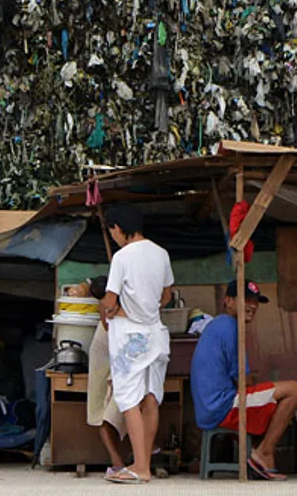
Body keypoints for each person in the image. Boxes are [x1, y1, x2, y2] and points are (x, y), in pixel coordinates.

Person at [190, 281, 297, 481]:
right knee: (294, 390)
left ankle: (261, 456)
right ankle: (263, 454)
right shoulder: (230, 327)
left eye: (255, 301)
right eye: (246, 300)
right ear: (228, 301)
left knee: (271, 397)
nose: (252, 305)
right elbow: (243, 381)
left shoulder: (218, 324)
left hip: (210, 407)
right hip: (222, 407)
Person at [98, 205, 174, 485]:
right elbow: (166, 295)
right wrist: (145, 309)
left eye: (112, 231)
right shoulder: (161, 253)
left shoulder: (122, 257)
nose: (113, 236)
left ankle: (141, 467)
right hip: (155, 334)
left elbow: (109, 299)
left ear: (118, 228)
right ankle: (144, 463)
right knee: (151, 397)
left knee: (128, 398)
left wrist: (109, 311)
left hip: (130, 338)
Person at [86, 276, 130, 479]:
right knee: (103, 411)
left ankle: (130, 458)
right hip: (106, 358)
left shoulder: (117, 303)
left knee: (119, 408)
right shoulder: (106, 309)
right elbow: (110, 328)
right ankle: (117, 461)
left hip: (119, 356)